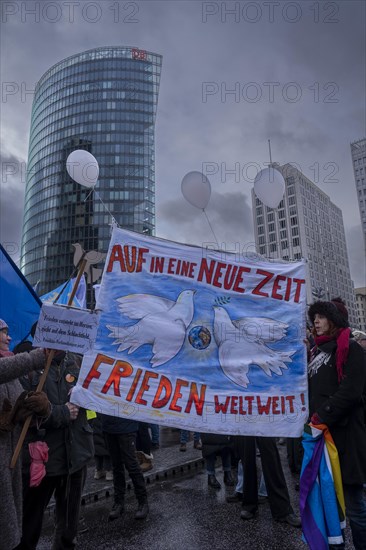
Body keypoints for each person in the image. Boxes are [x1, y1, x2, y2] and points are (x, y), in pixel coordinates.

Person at [17, 349, 94, 550]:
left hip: (76, 458)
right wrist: (61, 413)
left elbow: (98, 401)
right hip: (42, 461)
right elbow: (22, 414)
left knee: (68, 532)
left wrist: (88, 394)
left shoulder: (79, 362)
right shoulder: (29, 367)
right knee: (28, 529)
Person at [307, 297, 366, 549]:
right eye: (314, 318)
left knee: (354, 507)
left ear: (333, 320)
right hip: (323, 438)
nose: (316, 322)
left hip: (345, 439)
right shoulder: (316, 351)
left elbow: (351, 391)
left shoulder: (350, 348)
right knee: (330, 504)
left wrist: (322, 415)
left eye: (321, 317)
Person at [0, 319, 49, 550]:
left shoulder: (9, 367)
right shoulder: (7, 367)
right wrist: (38, 355)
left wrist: (40, 408)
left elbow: (23, 412)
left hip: (11, 462)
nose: (9, 338)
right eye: (3, 332)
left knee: (11, 531)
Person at [236, 435, 301, 527]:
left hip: (264, 422)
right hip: (243, 423)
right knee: (247, 456)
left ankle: (283, 510)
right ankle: (248, 505)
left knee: (271, 456)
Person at [101, 414, 149, 521]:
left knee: (131, 465)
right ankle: (119, 503)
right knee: (116, 466)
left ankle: (143, 502)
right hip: (109, 426)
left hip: (126, 425)